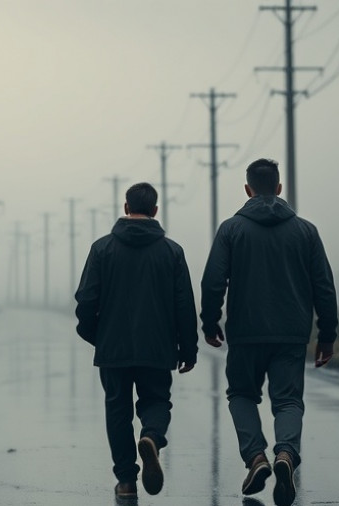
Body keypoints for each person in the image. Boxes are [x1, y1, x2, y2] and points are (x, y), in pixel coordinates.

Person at [200, 158, 338, 506]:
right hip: (291, 333)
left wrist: (210, 321)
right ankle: (286, 454)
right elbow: (324, 286)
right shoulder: (306, 231)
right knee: (288, 400)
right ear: (279, 188)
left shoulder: (232, 229)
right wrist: (327, 334)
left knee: (242, 395)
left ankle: (256, 457)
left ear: (248, 190)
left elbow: (213, 280)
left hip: (246, 332)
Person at [75, 182, 199, 499]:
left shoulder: (102, 249)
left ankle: (127, 482)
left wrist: (97, 336)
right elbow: (184, 304)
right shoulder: (172, 252)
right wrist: (188, 349)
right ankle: (152, 439)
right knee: (156, 401)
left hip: (113, 348)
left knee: (117, 410)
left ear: (126, 207)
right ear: (155, 210)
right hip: (158, 347)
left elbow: (86, 301)